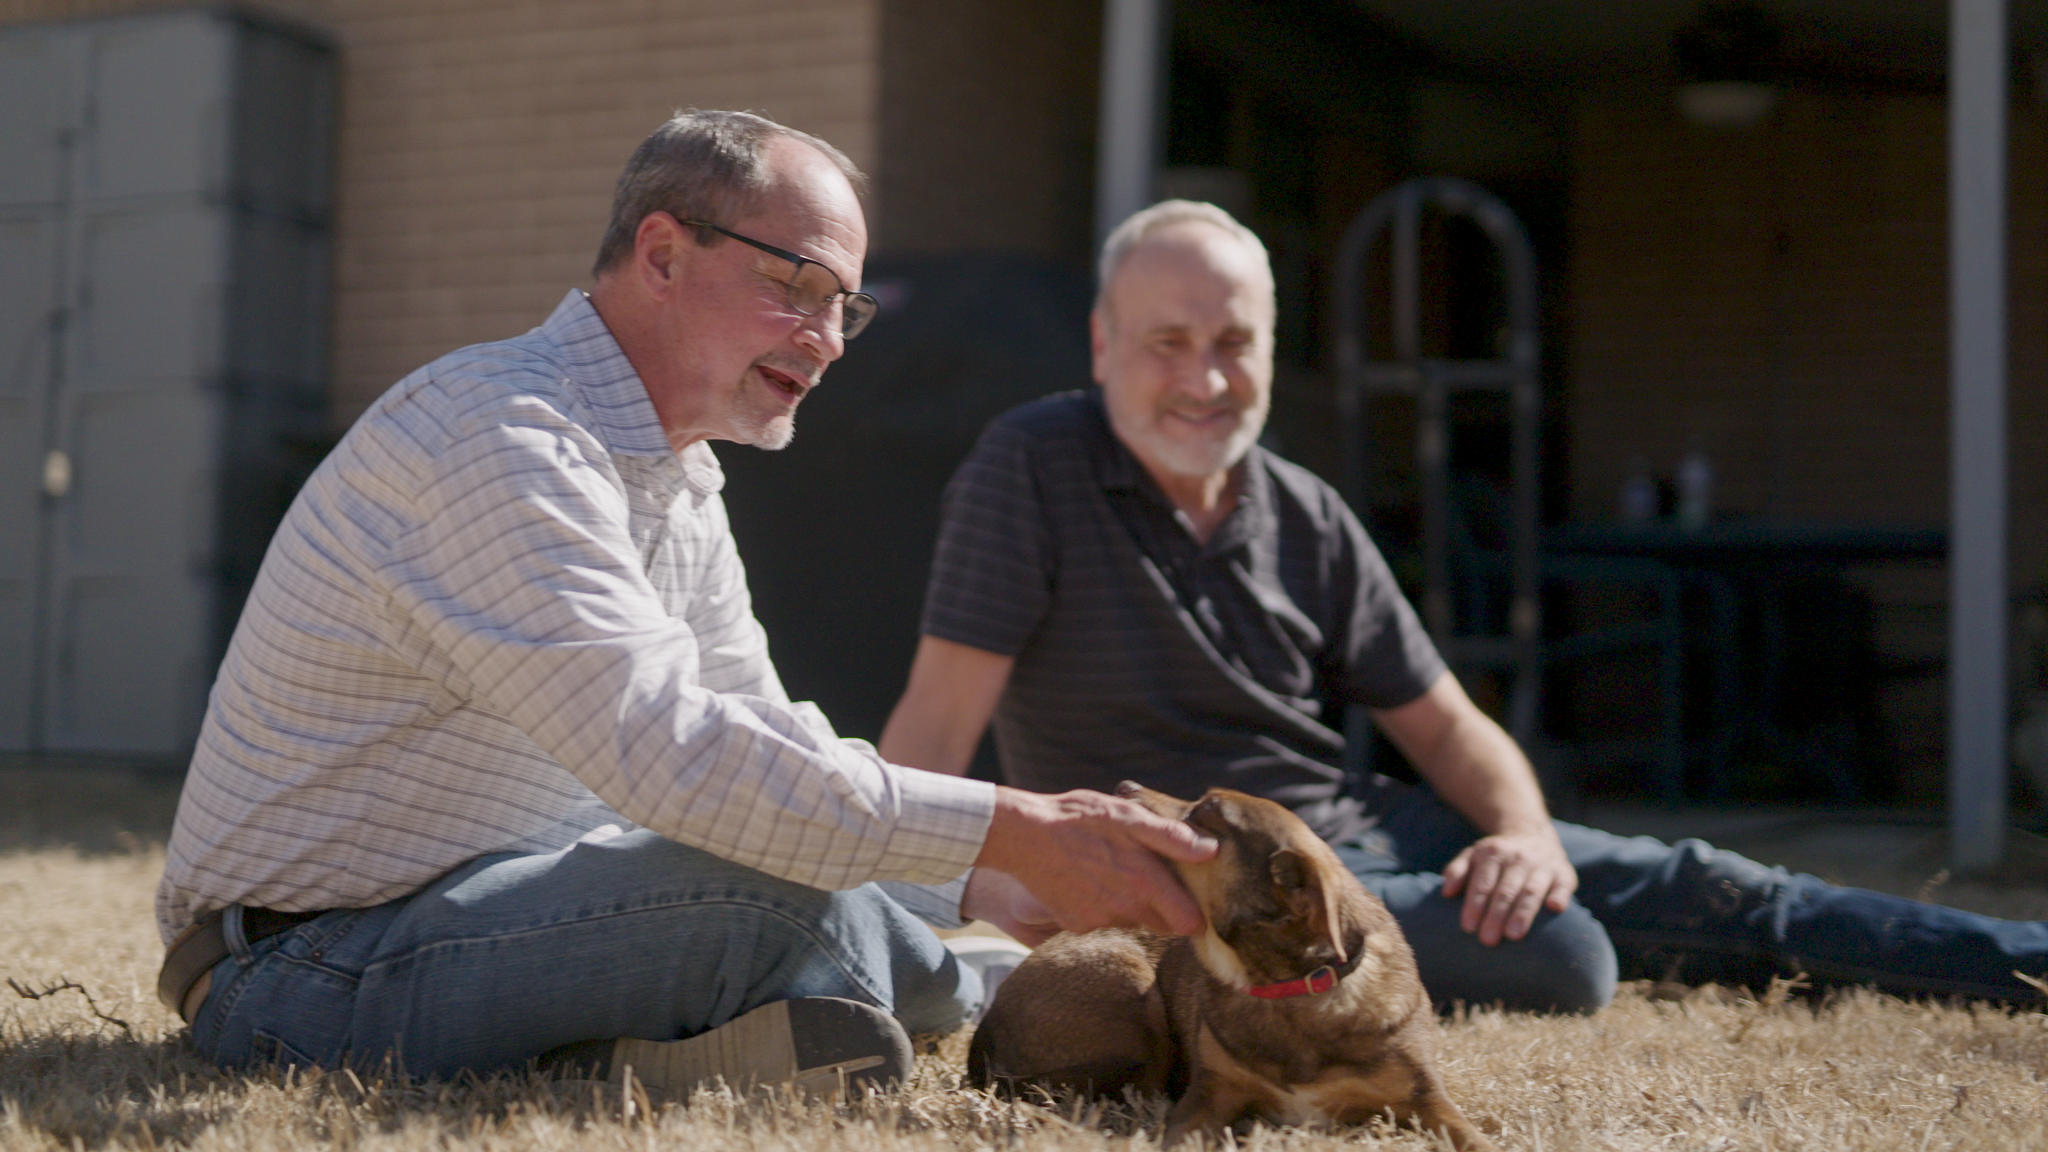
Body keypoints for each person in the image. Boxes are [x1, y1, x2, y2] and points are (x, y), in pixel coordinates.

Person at [154, 111, 1218, 1088]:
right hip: (298, 971)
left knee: (832, 908)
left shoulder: (676, 479)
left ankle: (650, 1051)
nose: (830, 338)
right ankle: (864, 1005)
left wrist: (980, 886)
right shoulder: (498, 433)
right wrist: (1014, 830)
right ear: (662, 252)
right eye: (799, 287)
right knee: (783, 908)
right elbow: (675, 760)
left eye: (846, 306)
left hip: (497, 921)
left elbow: (762, 746)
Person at [878, 198, 2048, 1013]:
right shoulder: (1028, 465)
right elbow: (935, 726)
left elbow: (1443, 725)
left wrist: (1523, 836)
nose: (1203, 378)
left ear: (1273, 349)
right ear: (1101, 343)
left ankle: (2025, 960)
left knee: (1701, 880)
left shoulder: (1304, 509)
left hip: (1362, 836)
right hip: (1203, 878)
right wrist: (935, 894)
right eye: (1166, 343)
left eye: (1233, 342)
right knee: (1561, 958)